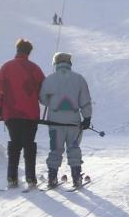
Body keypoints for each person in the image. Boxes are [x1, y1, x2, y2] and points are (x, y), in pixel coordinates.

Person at [0, 39, 46, 189]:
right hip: (30, 114)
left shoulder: (6, 67)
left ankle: (12, 177)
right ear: (29, 52)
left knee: (14, 144)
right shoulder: (35, 69)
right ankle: (30, 177)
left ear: (17, 50)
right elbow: (44, 91)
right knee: (29, 144)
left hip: (11, 113)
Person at [39, 52, 92, 188]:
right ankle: (76, 177)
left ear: (55, 63)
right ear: (70, 63)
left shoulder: (49, 79)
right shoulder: (79, 79)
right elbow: (85, 100)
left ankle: (52, 178)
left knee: (55, 149)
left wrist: (52, 102)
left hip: (55, 122)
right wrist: (87, 118)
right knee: (74, 148)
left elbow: (43, 99)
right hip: (73, 123)